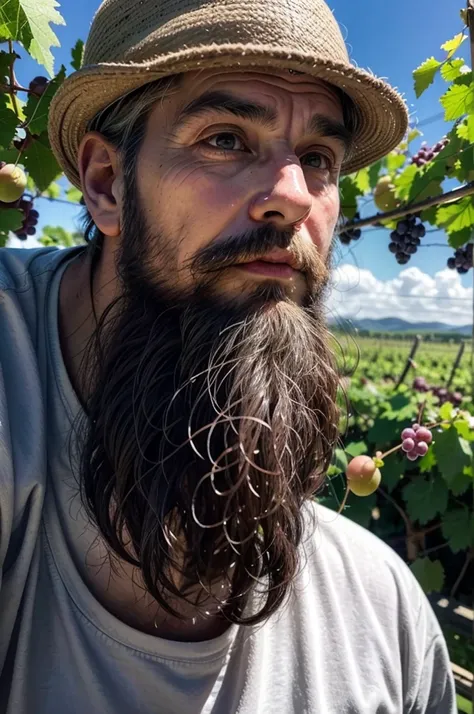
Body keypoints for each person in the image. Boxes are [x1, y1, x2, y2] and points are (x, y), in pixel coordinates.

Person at [0, 0, 456, 712]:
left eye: (318, 159)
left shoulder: (383, 616)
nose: (292, 198)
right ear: (106, 183)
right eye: (225, 139)